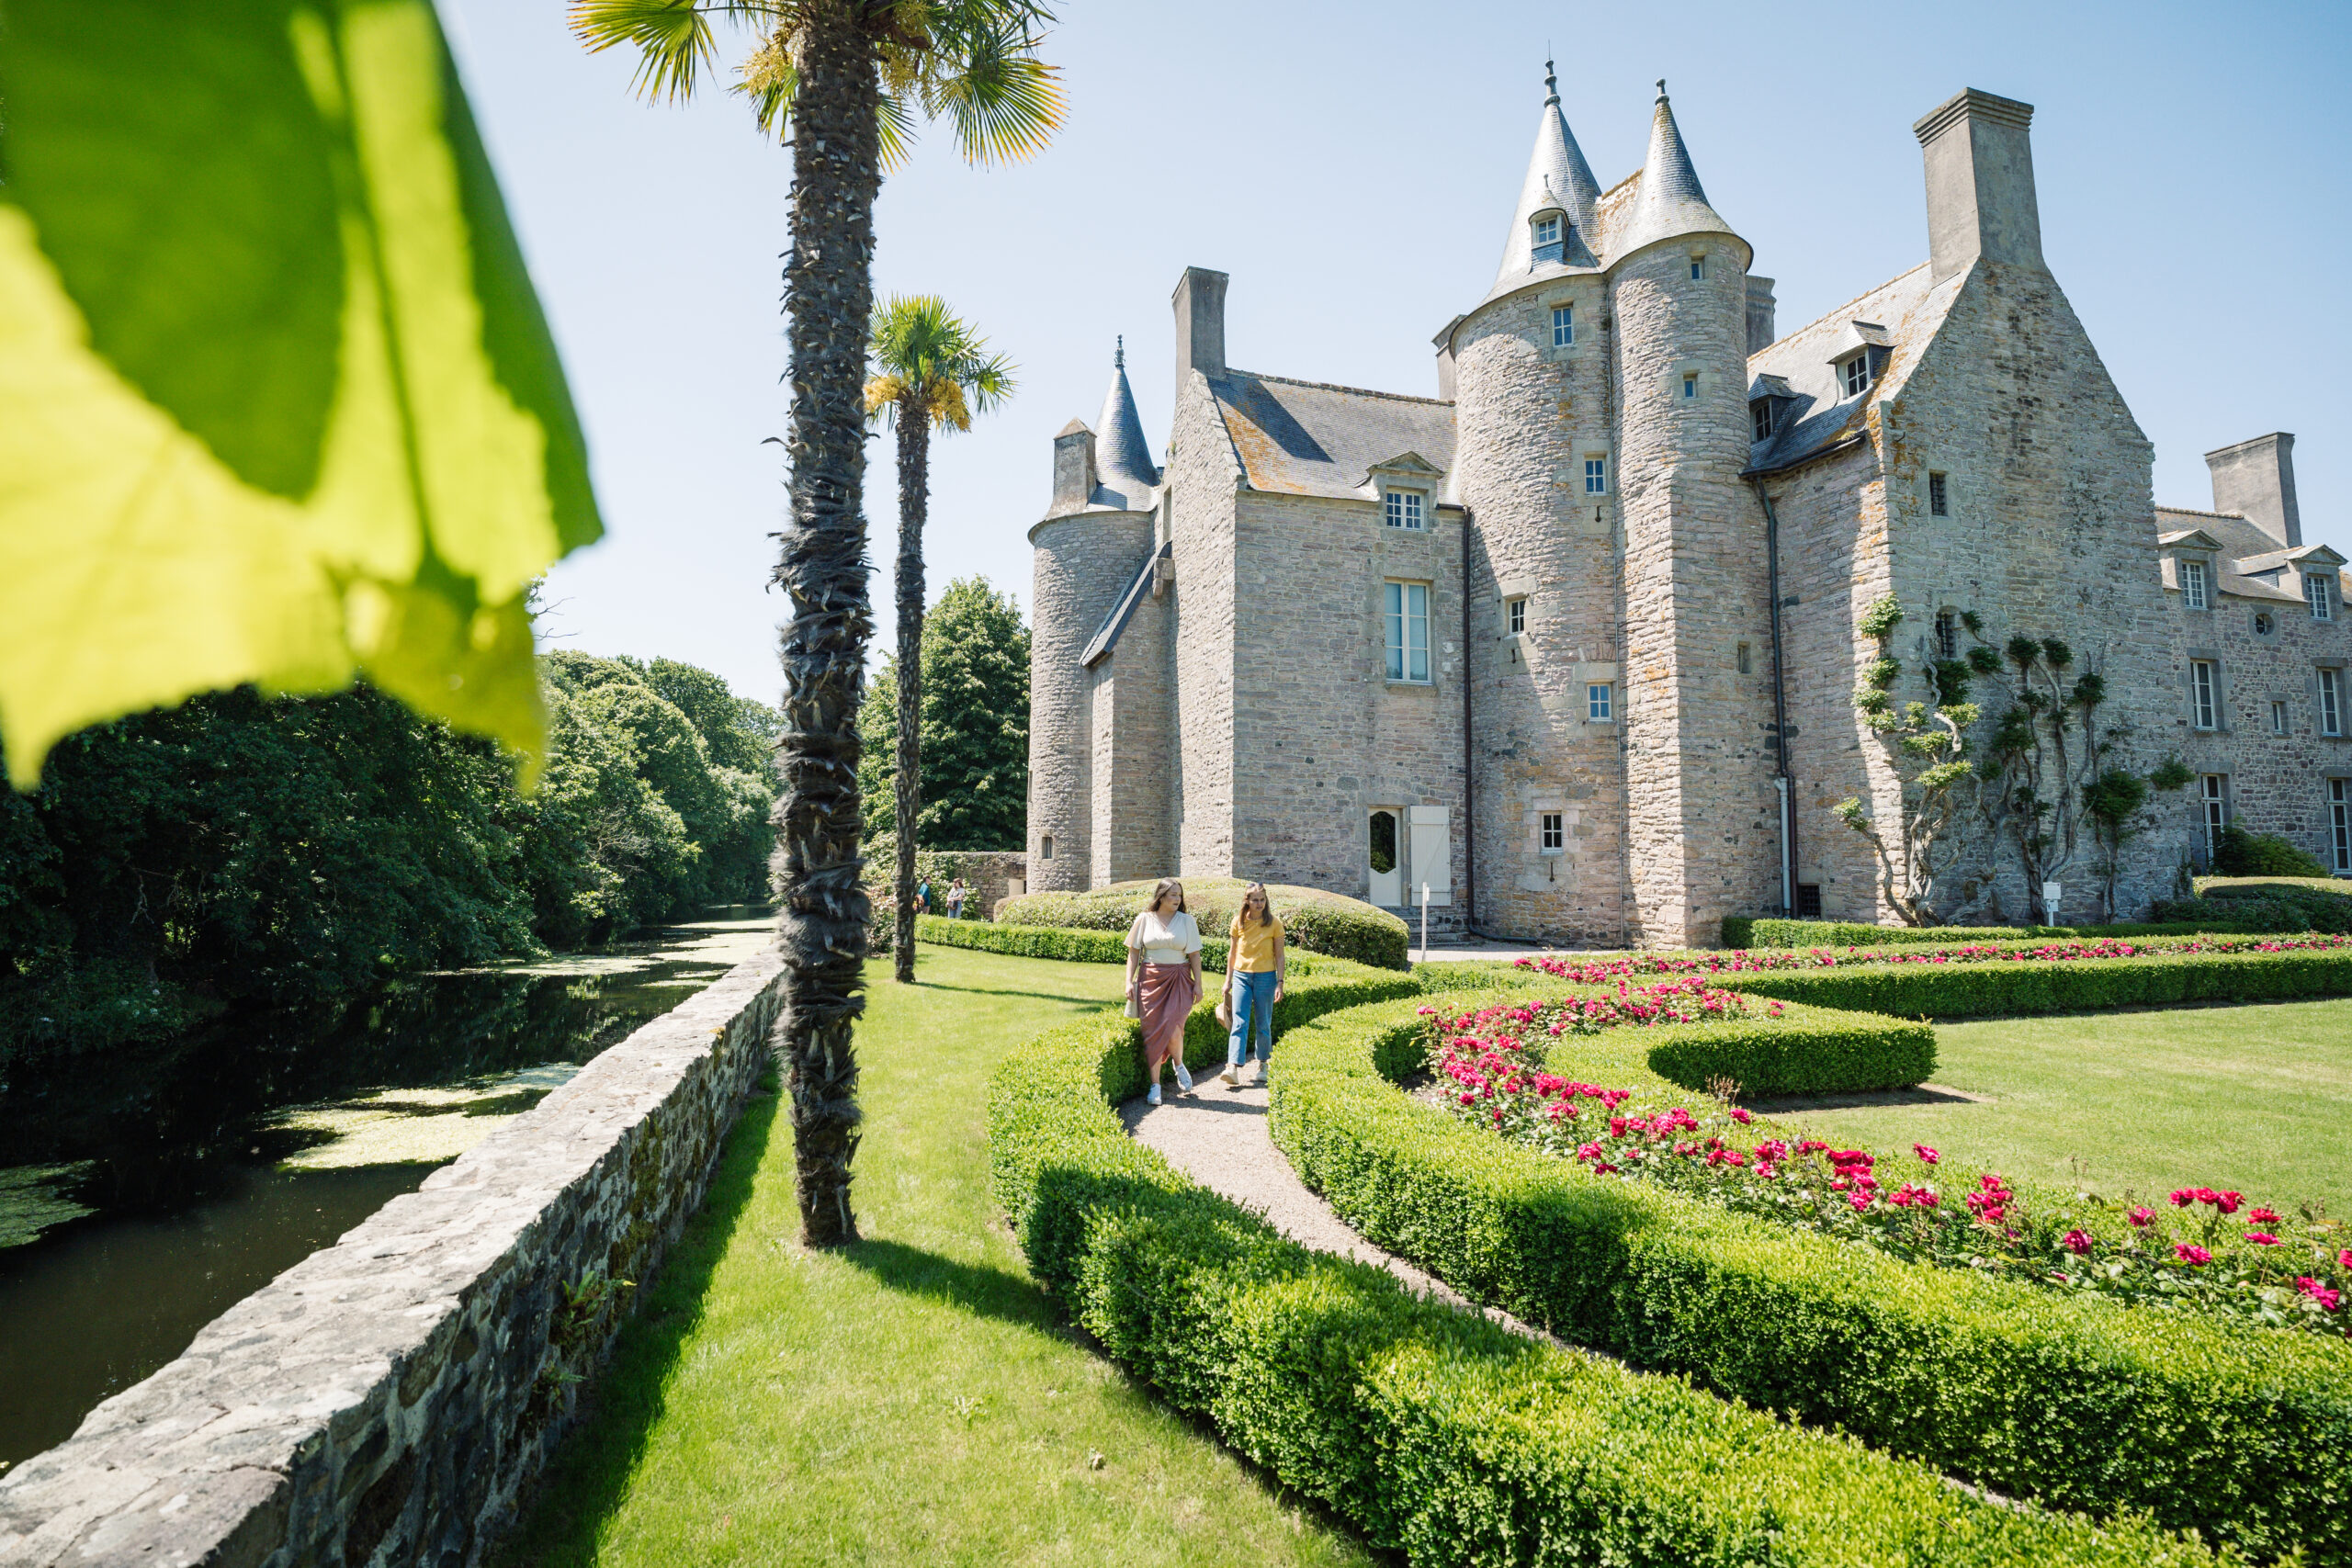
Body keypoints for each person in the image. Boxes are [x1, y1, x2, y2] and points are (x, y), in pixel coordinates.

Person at [1125, 878, 1200, 1106]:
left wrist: (1198, 983)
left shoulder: (1187, 921)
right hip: (1150, 979)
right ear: (1161, 897)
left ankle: (1178, 1064)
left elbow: (1194, 955)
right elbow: (1134, 952)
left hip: (1178, 978)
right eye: (1173, 895)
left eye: (1179, 895)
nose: (1177, 899)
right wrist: (1129, 981)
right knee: (1153, 1033)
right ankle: (1155, 1086)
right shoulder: (1144, 919)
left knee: (1175, 1030)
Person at [1221, 882, 1285, 1088]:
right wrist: (1227, 980)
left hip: (1266, 977)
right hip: (1241, 976)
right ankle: (1232, 1067)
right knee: (1239, 1021)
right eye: (1255, 900)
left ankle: (1263, 1064)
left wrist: (1280, 983)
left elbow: (1280, 956)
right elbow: (1232, 954)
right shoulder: (1237, 922)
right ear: (1247, 901)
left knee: (1263, 1023)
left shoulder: (1274, 923)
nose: (1259, 903)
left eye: (1262, 899)